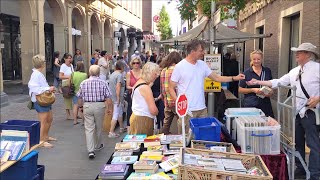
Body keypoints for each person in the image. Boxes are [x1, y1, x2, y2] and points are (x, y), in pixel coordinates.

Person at [247, 43, 320, 180]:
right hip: (298, 112)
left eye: (300, 52)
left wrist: (318, 98)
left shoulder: (317, 69)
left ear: (309, 55)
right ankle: (301, 169)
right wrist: (258, 82)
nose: (297, 54)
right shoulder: (295, 70)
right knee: (298, 142)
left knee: (313, 144)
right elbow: (278, 82)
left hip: (312, 112)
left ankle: (315, 174)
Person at [169, 39, 245, 134]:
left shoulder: (202, 64)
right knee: (186, 139)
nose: (203, 52)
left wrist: (234, 78)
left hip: (202, 109)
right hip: (187, 110)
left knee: (202, 138)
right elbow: (171, 88)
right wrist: (178, 103)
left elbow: (216, 78)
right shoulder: (179, 67)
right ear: (192, 51)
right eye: (201, 50)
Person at [77, 65, 112, 159]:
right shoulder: (103, 83)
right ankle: (98, 145)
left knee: (89, 128)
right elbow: (108, 97)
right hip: (99, 106)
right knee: (99, 126)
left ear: (89, 72)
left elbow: (79, 97)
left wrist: (80, 107)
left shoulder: (83, 83)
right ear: (99, 73)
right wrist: (109, 108)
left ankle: (90, 150)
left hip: (87, 105)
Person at [28, 54, 56, 148]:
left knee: (49, 119)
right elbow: (34, 88)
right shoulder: (36, 75)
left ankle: (45, 136)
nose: (45, 63)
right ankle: (41, 141)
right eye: (44, 61)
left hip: (44, 99)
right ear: (41, 64)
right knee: (43, 121)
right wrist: (48, 89)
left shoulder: (38, 74)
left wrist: (48, 88)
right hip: (40, 100)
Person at [239, 50, 274, 117]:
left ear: (262, 59)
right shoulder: (246, 72)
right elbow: (240, 89)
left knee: (266, 125)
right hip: (250, 104)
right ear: (251, 59)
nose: (256, 61)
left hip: (265, 104)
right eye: (254, 59)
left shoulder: (267, 71)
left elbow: (270, 85)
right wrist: (253, 90)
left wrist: (270, 92)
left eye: (258, 59)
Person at [130, 62, 160, 136]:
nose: (157, 76)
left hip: (137, 117)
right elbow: (153, 110)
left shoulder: (139, 83)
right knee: (144, 144)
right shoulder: (145, 87)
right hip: (143, 119)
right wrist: (157, 111)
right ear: (149, 73)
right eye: (155, 74)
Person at [160, 51, 182, 134]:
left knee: (166, 123)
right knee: (181, 122)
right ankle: (181, 139)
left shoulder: (163, 70)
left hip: (167, 100)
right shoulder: (177, 69)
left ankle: (164, 137)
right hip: (176, 99)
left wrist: (164, 97)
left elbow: (162, 87)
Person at [108, 61, 126, 138]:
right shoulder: (119, 75)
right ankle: (111, 132)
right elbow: (118, 86)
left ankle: (121, 127)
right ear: (122, 67)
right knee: (116, 114)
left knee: (119, 112)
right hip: (117, 98)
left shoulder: (112, 74)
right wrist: (118, 98)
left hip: (113, 96)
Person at [125, 57, 142, 133]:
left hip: (141, 95)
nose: (136, 65)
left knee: (140, 112)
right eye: (134, 63)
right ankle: (130, 130)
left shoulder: (142, 72)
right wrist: (133, 88)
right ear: (131, 64)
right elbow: (127, 86)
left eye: (137, 63)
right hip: (132, 95)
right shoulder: (129, 73)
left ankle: (139, 128)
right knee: (130, 111)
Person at [151, 59, 165, 133]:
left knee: (161, 114)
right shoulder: (153, 78)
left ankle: (161, 129)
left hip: (160, 96)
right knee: (155, 114)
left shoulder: (162, 76)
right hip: (154, 96)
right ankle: (158, 128)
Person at [59, 53, 74, 120]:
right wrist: (69, 76)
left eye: (71, 58)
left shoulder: (71, 65)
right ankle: (68, 115)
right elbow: (60, 76)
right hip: (65, 83)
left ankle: (74, 113)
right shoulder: (63, 66)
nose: (70, 59)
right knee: (67, 99)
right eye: (68, 58)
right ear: (65, 59)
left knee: (74, 98)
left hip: (71, 83)